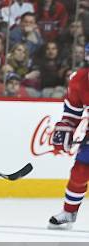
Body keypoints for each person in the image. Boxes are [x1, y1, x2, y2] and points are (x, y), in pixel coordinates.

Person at [48, 44, 88, 229]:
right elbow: (72, 114)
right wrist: (65, 129)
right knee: (80, 171)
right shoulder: (79, 79)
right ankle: (69, 212)